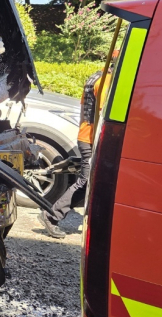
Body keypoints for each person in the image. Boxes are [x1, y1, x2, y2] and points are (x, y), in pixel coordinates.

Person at [37, 58, 115, 239]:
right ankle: (50, 216)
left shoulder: (97, 76)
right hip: (91, 138)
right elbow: (103, 115)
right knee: (86, 181)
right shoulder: (106, 82)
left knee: (95, 182)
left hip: (88, 136)